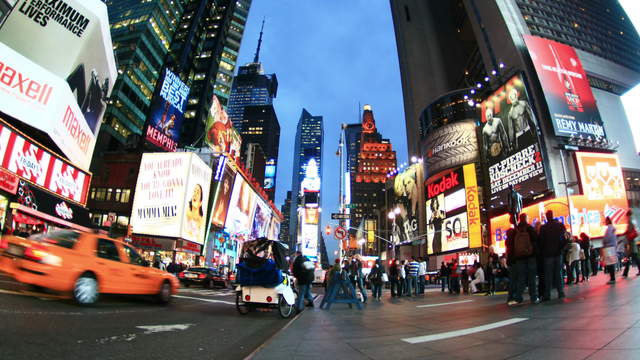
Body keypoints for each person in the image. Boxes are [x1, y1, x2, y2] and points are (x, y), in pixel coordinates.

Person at [510, 213, 539, 305]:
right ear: (526, 219)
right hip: (530, 256)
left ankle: (519, 297)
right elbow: (535, 240)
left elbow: (511, 245)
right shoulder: (530, 228)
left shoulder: (516, 230)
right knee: (532, 278)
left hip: (519, 258)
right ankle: (533, 298)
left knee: (521, 278)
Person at [539, 210, 568, 301]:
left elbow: (541, 242)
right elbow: (565, 238)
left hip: (548, 255)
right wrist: (561, 248)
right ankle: (561, 292)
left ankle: (547, 294)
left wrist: (543, 251)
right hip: (558, 253)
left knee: (548, 275)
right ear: (553, 215)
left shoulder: (544, 228)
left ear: (547, 217)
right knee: (558, 273)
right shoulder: (559, 225)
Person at [622, 210, 639, 277]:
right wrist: (625, 233)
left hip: (631, 242)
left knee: (633, 257)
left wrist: (626, 234)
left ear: (628, 215)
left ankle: (625, 273)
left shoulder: (630, 221)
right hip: (631, 242)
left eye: (627, 216)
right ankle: (625, 273)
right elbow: (629, 231)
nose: (626, 217)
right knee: (630, 257)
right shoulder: (632, 220)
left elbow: (630, 231)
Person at [602, 217, 618, 284]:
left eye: (605, 221)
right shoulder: (612, 228)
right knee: (611, 263)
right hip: (612, 247)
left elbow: (607, 238)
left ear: (608, 221)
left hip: (609, 248)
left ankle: (612, 278)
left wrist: (603, 242)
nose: (605, 222)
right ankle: (612, 278)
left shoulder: (609, 228)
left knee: (610, 264)